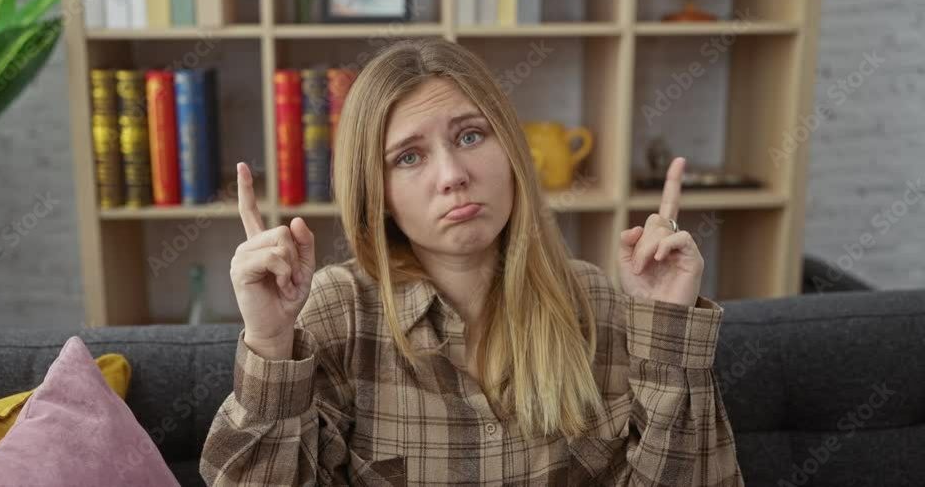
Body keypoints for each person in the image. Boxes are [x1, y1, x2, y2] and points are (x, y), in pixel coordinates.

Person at [200, 38, 743, 486]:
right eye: (408, 157)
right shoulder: (339, 312)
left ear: (509, 150)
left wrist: (669, 331)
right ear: (378, 194)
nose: (453, 174)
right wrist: (270, 345)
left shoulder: (595, 300)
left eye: (470, 135)